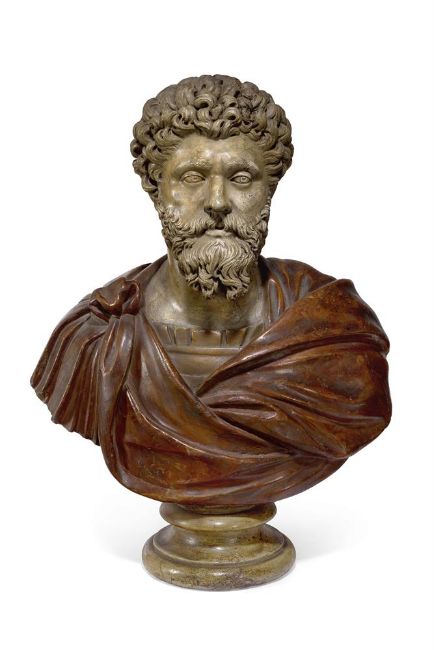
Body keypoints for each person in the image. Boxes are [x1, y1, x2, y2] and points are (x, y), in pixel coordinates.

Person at [31, 75, 391, 507]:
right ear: (157, 190)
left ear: (268, 191)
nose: (217, 201)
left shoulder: (334, 334)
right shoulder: (94, 341)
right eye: (192, 177)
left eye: (241, 177)